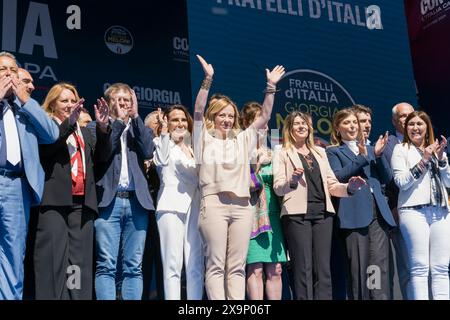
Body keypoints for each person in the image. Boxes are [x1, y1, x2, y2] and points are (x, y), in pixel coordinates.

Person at [192, 55, 285, 300]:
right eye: (222, 115)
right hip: (214, 204)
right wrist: (207, 80)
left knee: (236, 265)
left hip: (243, 206)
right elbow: (198, 110)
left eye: (231, 116)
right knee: (216, 264)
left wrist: (271, 87)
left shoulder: (242, 139)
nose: (227, 119)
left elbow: (264, 117)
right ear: (214, 116)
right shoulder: (202, 137)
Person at [273, 111, 365, 300]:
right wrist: (292, 181)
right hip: (296, 215)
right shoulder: (281, 153)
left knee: (323, 268)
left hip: (323, 214)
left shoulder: (320, 152)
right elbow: (278, 188)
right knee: (303, 267)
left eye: (305, 124)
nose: (302, 127)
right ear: (289, 129)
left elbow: (332, 185)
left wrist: (349, 187)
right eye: (297, 124)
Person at [33, 83, 110, 299]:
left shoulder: (84, 132)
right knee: (53, 261)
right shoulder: (46, 125)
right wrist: (69, 123)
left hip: (81, 205)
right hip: (54, 203)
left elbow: (101, 159)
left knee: (77, 265)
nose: (69, 104)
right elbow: (47, 150)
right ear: (52, 103)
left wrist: (103, 129)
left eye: (72, 100)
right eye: (64, 100)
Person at [0, 51, 59, 299]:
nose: (9, 75)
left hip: (15, 187)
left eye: (14, 71)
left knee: (13, 254)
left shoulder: (24, 108)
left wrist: (25, 100)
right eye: (4, 70)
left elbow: (52, 134)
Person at [326, 107, 396, 300]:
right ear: (337, 128)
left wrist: (379, 156)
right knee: (359, 270)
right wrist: (362, 158)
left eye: (355, 122)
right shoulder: (333, 152)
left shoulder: (373, 149)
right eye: (347, 123)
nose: (353, 126)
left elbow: (387, 179)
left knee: (378, 268)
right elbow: (337, 176)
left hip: (377, 214)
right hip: (354, 216)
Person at [94, 83, 154, 300]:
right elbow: (102, 154)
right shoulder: (98, 127)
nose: (122, 103)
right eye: (117, 100)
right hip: (109, 203)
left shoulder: (140, 129)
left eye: (126, 100)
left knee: (134, 267)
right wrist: (118, 123)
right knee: (106, 265)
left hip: (137, 204)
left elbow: (148, 151)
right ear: (109, 104)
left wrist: (136, 118)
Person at [391, 111, 450, 300]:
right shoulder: (400, 149)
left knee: (441, 267)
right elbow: (401, 182)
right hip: (413, 211)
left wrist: (441, 159)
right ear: (406, 128)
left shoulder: (437, 150)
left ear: (427, 128)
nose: (415, 128)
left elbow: (448, 182)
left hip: (441, 211)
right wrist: (424, 160)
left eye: (419, 124)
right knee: (419, 267)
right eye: (411, 124)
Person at [153, 105, 204, 300]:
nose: (180, 123)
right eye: (175, 120)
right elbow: (161, 161)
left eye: (183, 119)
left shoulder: (195, 147)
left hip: (196, 208)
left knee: (195, 263)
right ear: (167, 122)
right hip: (171, 207)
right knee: (173, 265)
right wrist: (164, 132)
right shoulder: (161, 141)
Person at [240, 102, 287, 300]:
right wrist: (255, 163)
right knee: (255, 269)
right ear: (248, 125)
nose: (264, 127)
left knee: (276, 269)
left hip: (274, 215)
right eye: (259, 122)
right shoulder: (238, 150)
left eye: (266, 123)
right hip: (251, 213)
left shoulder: (276, 151)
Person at [383, 102, 415, 299]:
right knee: (409, 270)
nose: (409, 120)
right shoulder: (389, 144)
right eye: (404, 116)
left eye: (412, 115)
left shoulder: (429, 143)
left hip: (432, 215)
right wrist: (394, 206)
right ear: (395, 121)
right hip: (402, 214)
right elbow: (388, 181)